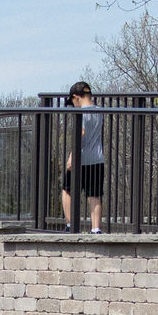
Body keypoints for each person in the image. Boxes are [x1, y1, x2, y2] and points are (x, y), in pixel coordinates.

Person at [60, 81, 106, 231]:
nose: (73, 105)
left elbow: (82, 133)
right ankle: (95, 229)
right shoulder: (99, 111)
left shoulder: (81, 113)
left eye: (73, 102)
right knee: (94, 195)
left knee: (67, 190)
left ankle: (70, 224)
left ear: (76, 97)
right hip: (97, 158)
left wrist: (72, 156)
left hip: (81, 159)